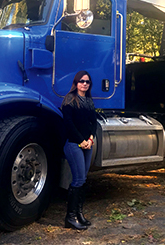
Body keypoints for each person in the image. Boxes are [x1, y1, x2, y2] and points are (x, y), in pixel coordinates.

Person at [61, 70, 97, 230]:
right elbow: (68, 124)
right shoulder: (69, 100)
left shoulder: (89, 101)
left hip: (86, 144)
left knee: (83, 179)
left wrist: (90, 139)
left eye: (87, 82)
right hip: (73, 144)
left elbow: (93, 123)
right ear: (76, 83)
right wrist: (81, 141)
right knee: (78, 180)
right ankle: (70, 218)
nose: (84, 84)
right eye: (81, 81)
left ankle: (79, 214)